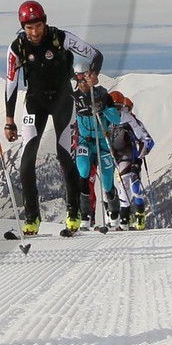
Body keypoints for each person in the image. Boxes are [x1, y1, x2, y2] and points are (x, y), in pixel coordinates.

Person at [3, 0, 102, 236]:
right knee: (27, 160)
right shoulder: (16, 48)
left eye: (37, 26)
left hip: (62, 101)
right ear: (22, 27)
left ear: (44, 22)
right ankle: (31, 217)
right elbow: (11, 84)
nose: (34, 32)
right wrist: (9, 119)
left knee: (64, 154)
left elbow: (95, 54)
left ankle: (74, 212)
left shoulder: (61, 38)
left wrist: (92, 74)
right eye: (28, 27)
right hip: (34, 103)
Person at [71, 66, 118, 227]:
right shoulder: (75, 96)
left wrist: (103, 108)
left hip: (102, 140)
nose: (81, 84)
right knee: (83, 171)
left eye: (84, 80)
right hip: (85, 140)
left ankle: (114, 214)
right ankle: (85, 215)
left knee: (106, 181)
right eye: (78, 80)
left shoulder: (103, 95)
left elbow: (116, 119)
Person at [102, 90, 154, 229]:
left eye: (119, 106)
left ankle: (126, 219)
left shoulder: (129, 118)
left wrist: (138, 159)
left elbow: (146, 140)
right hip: (109, 152)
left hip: (127, 153)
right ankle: (110, 217)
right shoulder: (104, 116)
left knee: (126, 183)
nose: (116, 110)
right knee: (106, 183)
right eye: (113, 106)